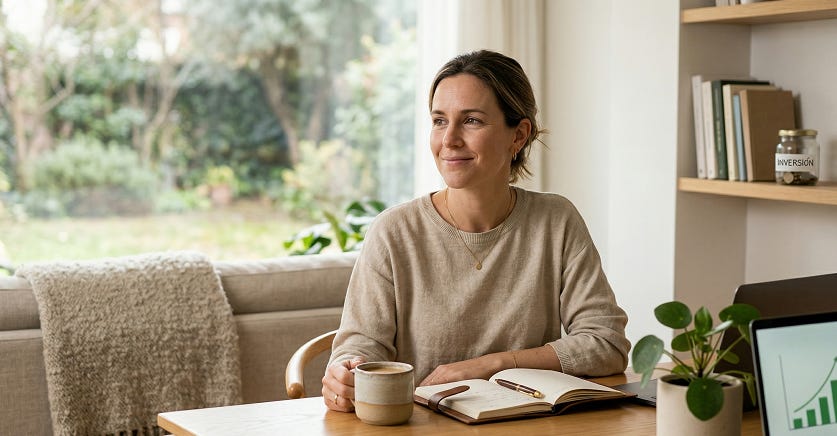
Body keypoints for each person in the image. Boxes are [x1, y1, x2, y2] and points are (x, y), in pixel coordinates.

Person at [322, 50, 630, 412]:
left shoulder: (556, 220)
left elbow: (606, 344)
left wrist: (492, 365)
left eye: (471, 121)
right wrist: (345, 373)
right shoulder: (394, 232)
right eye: (439, 120)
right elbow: (359, 348)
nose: (448, 139)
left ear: (519, 135)